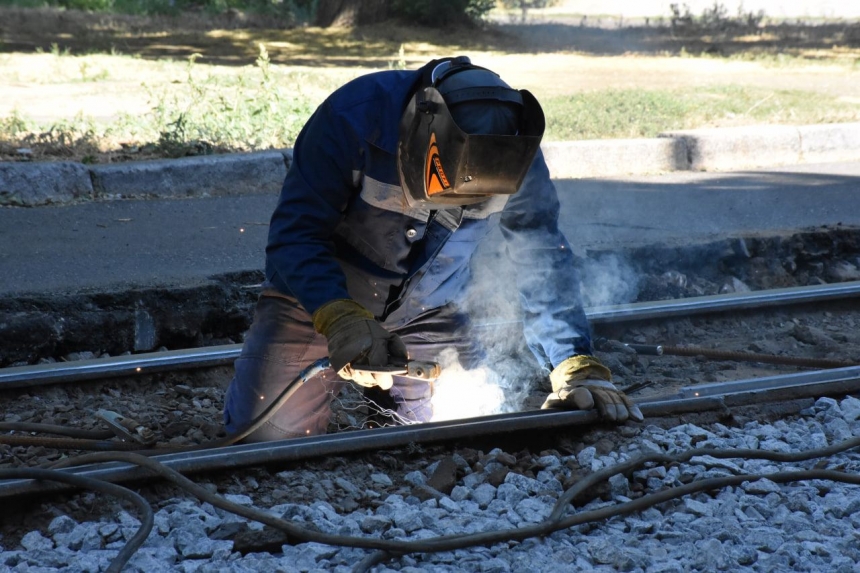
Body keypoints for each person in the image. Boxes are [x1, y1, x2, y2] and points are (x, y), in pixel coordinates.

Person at [223, 56, 643, 442]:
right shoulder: (352, 120)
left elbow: (542, 258)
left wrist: (573, 362)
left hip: (430, 313)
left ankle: (395, 406)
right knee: (266, 441)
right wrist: (338, 317)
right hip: (316, 304)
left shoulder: (517, 154)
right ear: (423, 133)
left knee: (460, 430)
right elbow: (296, 235)